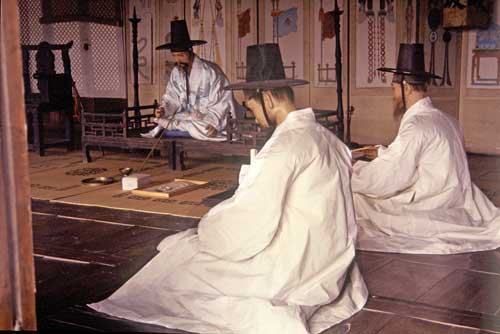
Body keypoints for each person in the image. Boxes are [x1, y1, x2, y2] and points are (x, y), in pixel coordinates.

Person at [89, 43, 368, 334]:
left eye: (251, 106)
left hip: (294, 264)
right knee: (183, 248)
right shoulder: (328, 138)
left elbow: (249, 222)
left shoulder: (284, 147)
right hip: (329, 259)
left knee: (181, 263)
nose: (253, 116)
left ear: (268, 98)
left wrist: (207, 229)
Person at [351, 43, 500, 254]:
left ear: (407, 88)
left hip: (432, 202)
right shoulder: (448, 119)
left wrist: (349, 171)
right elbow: (424, 156)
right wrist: (384, 153)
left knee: (357, 199)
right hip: (456, 198)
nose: (393, 94)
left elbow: (390, 177)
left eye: (394, 88)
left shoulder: (417, 125)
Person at [141, 19, 238, 141]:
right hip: (188, 117)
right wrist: (164, 109)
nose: (178, 60)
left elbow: (222, 102)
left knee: (204, 128)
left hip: (208, 117)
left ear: (190, 50)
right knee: (164, 121)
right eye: (174, 56)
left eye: (181, 55)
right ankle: (187, 128)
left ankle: (200, 128)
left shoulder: (210, 71)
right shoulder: (176, 72)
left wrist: (214, 123)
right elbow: (172, 97)